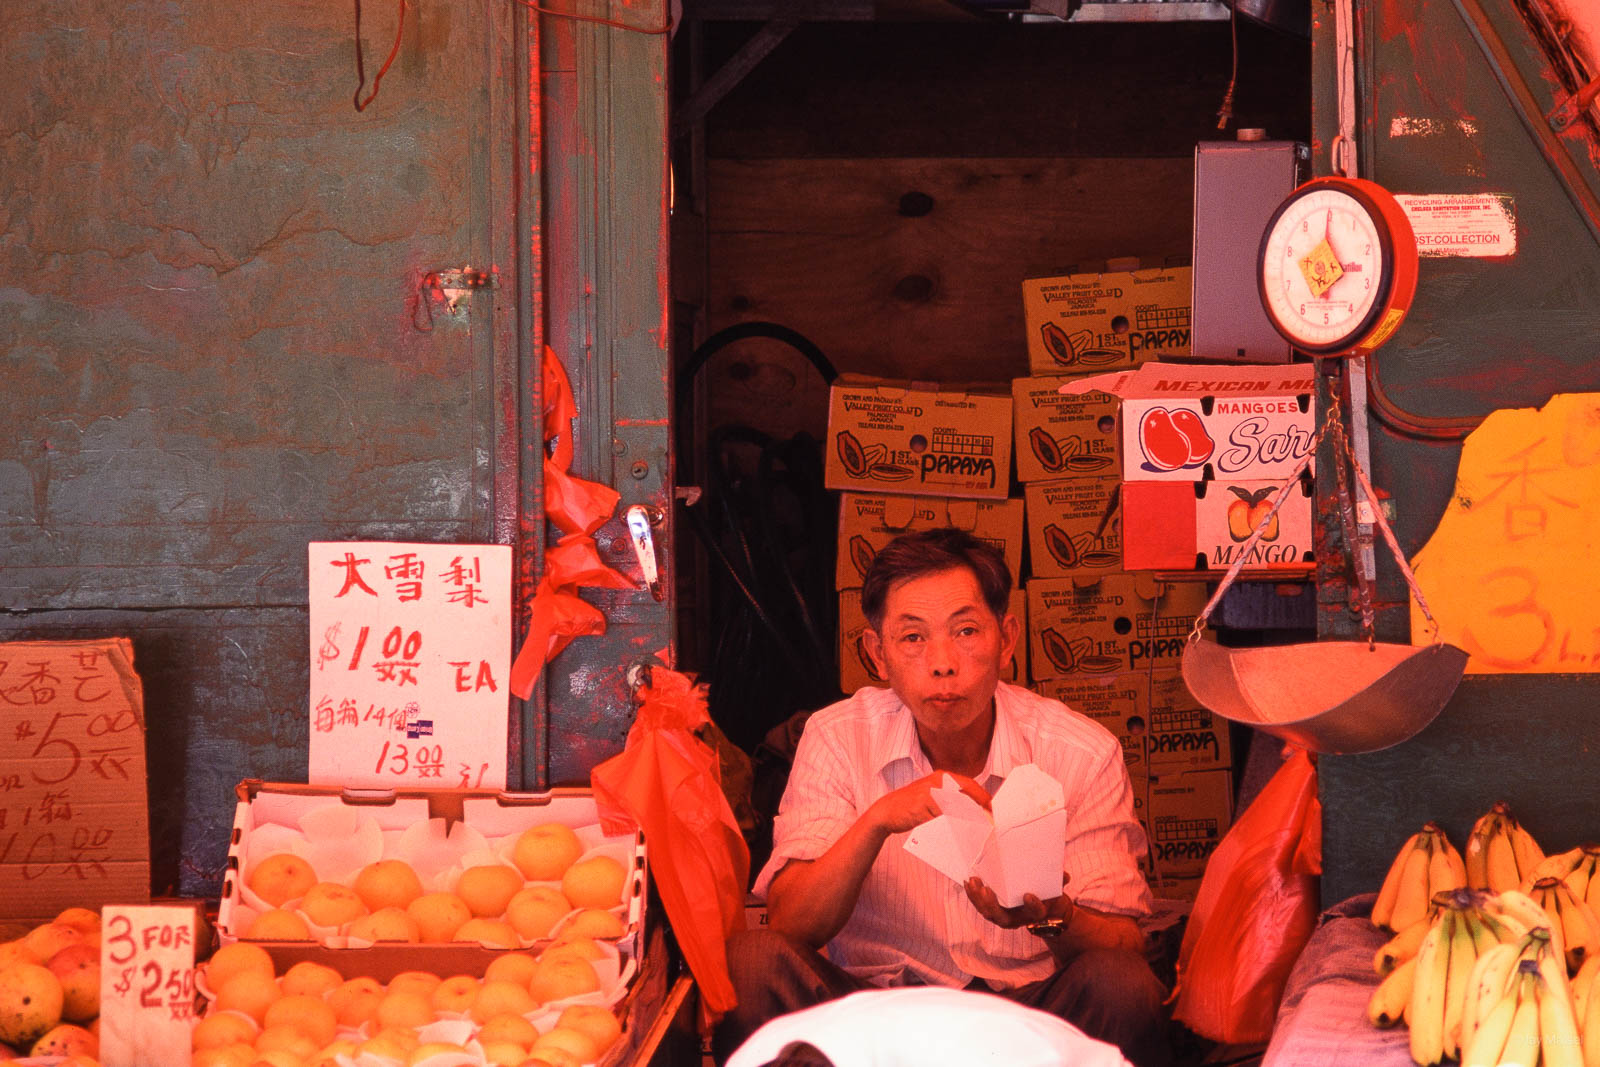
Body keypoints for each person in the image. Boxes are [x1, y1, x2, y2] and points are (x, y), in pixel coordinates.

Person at [715, 528, 1170, 1067]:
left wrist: (1053, 914)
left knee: (1122, 985)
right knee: (752, 963)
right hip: (874, 1018)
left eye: (966, 631)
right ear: (877, 655)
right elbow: (791, 924)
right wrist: (877, 821)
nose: (943, 663)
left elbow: (1126, 947)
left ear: (1007, 640)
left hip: (1026, 1021)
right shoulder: (837, 737)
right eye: (913, 637)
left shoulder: (1081, 751)